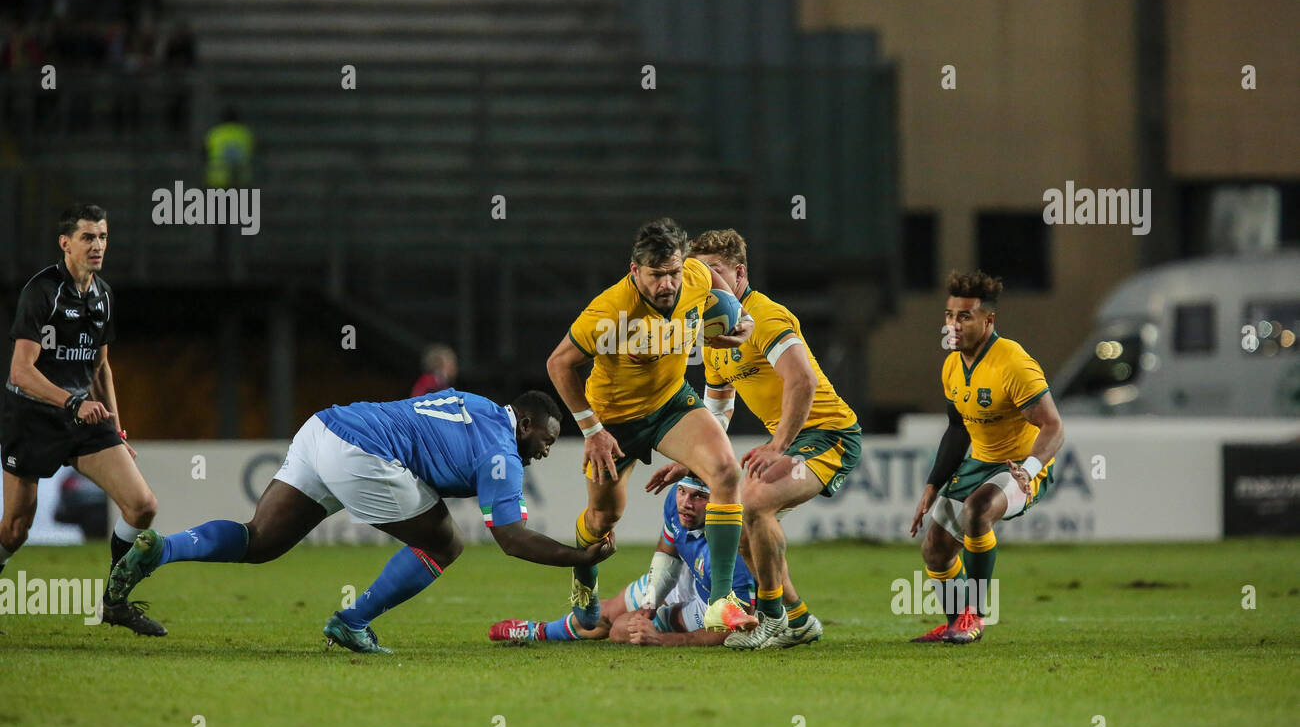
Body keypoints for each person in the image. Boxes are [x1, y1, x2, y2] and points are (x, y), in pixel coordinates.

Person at [107, 389, 616, 652]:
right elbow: (509, 539)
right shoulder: (502, 452)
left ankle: (163, 548)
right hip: (364, 454)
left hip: (324, 427)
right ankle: (352, 623)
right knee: (445, 545)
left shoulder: (479, 405)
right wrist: (578, 558)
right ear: (524, 425)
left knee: (259, 540)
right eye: (547, 440)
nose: (547, 451)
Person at [647, 229, 860, 649]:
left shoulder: (763, 316)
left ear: (739, 273)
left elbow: (802, 381)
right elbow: (717, 411)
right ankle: (796, 619)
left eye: (717, 271)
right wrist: (692, 459)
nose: (709, 282)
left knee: (754, 503)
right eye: (700, 274)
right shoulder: (714, 333)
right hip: (798, 441)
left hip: (829, 435)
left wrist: (778, 445)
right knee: (736, 516)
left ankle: (772, 618)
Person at [545, 218, 758, 635]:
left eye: (673, 273)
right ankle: (584, 582)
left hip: (670, 404)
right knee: (604, 517)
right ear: (634, 271)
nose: (667, 285)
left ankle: (719, 603)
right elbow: (559, 363)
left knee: (725, 472)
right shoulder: (610, 311)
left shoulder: (695, 275)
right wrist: (592, 430)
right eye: (656, 276)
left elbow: (722, 292)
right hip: (614, 421)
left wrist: (743, 320)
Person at [1, 203, 165, 635]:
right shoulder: (42, 291)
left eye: (104, 237)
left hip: (83, 420)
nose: (98, 246)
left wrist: (116, 429)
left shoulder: (104, 295)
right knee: (17, 528)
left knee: (142, 505)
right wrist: (72, 403)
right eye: (89, 237)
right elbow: (20, 370)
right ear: (66, 243)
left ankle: (113, 600)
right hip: (32, 417)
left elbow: (101, 368)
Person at [908, 270, 1065, 644]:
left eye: (964, 317)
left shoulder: (1013, 363)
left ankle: (974, 616)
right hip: (979, 462)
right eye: (949, 315)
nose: (953, 324)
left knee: (977, 512)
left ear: (988, 320)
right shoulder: (952, 364)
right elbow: (957, 428)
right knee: (935, 546)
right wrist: (933, 484)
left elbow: (1054, 428)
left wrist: (1029, 470)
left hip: (1019, 465)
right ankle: (955, 623)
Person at [490, 474, 810, 647]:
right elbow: (667, 550)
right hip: (687, 575)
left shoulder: (734, 553)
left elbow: (739, 627)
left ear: (719, 504)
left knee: (619, 631)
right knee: (606, 613)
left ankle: (802, 621)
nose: (686, 502)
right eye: (685, 492)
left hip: (709, 600)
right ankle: (537, 632)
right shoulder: (676, 501)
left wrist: (664, 639)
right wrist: (651, 602)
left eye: (699, 497)